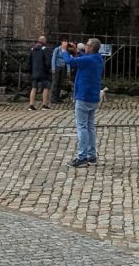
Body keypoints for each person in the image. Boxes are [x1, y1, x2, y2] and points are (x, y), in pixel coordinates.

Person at [63, 39, 105, 168]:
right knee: (90, 127)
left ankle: (82, 157)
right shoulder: (98, 59)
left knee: (82, 127)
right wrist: (76, 51)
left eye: (87, 45)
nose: (85, 46)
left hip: (83, 96)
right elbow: (85, 58)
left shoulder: (88, 60)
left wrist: (64, 50)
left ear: (91, 47)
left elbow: (70, 62)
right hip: (93, 97)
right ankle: (92, 156)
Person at [28, 36, 53, 110]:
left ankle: (31, 105)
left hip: (34, 72)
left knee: (34, 88)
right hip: (43, 72)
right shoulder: (45, 49)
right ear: (44, 41)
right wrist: (47, 70)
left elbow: (29, 62)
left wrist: (31, 71)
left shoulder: (32, 50)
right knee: (46, 87)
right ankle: (44, 105)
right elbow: (48, 62)